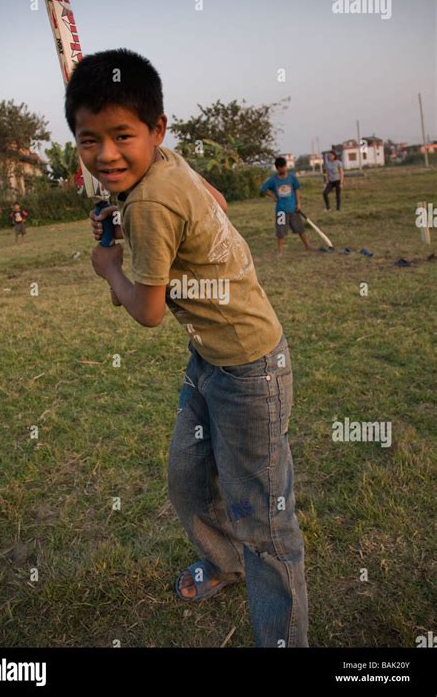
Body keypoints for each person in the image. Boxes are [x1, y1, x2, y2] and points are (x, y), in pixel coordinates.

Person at [65, 47, 308, 648]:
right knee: (187, 479)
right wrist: (122, 221)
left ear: (157, 131)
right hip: (209, 359)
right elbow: (216, 203)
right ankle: (224, 563)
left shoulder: (150, 199)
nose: (106, 154)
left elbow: (147, 311)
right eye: (88, 139)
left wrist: (108, 265)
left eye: (122, 135)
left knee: (265, 520)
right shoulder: (167, 166)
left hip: (248, 369)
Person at [260, 157, 314, 256]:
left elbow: (297, 189)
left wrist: (298, 203)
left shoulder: (292, 178)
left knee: (300, 229)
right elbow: (263, 189)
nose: (284, 169)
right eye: (282, 167)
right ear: (277, 168)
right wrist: (273, 196)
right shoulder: (273, 180)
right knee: (280, 232)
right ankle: (280, 252)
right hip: (281, 210)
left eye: (285, 166)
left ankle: (308, 246)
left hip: (293, 209)